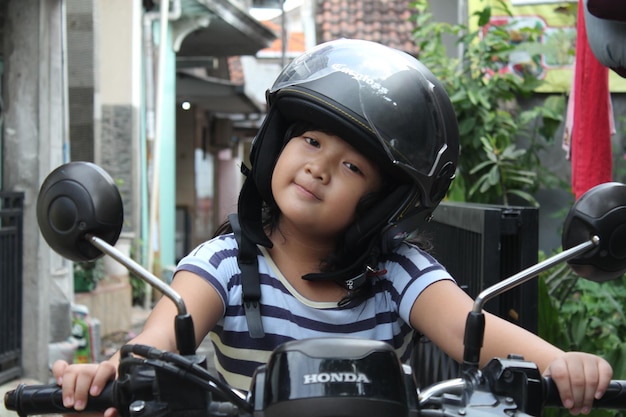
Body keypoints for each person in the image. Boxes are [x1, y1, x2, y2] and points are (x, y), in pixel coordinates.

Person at [52, 39, 612, 417]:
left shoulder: (398, 275)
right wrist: (108, 372)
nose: (319, 166)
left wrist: (562, 363)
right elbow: (154, 349)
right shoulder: (222, 265)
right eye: (312, 140)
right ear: (276, 143)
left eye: (351, 166)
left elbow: (479, 331)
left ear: (379, 202)